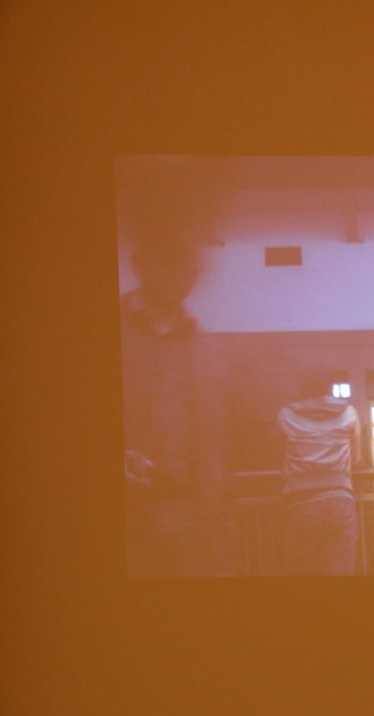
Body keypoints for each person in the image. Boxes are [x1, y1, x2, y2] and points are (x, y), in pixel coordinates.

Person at [121, 225, 231, 577]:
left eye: (190, 265)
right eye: (174, 260)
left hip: (192, 516)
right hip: (126, 516)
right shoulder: (104, 329)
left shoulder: (204, 345)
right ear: (143, 263)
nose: (186, 273)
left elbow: (213, 442)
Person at [278, 365, 363, 575]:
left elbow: (276, 455)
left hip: (301, 505)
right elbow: (357, 459)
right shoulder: (349, 413)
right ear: (330, 387)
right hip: (340, 501)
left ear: (301, 387)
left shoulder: (286, 415)